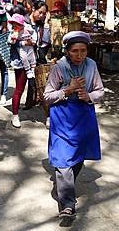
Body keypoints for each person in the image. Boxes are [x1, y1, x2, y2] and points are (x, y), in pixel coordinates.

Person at [44, 31, 104, 219]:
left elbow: (99, 90)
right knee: (63, 161)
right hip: (62, 116)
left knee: (78, 156)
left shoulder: (91, 65)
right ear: (67, 52)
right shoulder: (59, 68)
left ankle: (66, 186)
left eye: (83, 51)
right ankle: (67, 205)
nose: (79, 55)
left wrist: (89, 96)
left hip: (83, 116)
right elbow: (47, 96)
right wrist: (67, 90)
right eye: (75, 51)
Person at [8, 14, 37, 128]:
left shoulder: (28, 29)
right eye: (13, 24)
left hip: (31, 57)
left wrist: (32, 42)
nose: (15, 26)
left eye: (17, 24)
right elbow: (11, 44)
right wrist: (17, 41)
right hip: (20, 63)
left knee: (36, 87)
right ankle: (15, 115)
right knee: (19, 89)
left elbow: (34, 39)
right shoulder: (13, 33)